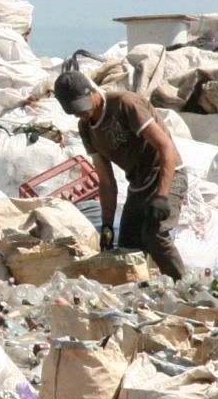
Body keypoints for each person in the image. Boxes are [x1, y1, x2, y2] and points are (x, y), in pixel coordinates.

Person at [55, 68, 186, 279]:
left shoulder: (125, 104)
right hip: (138, 186)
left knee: (154, 235)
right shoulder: (86, 128)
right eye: (75, 111)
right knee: (127, 249)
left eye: (82, 106)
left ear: (92, 92)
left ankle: (185, 288)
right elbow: (106, 182)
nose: (82, 113)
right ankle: (141, 297)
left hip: (166, 175)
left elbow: (166, 148)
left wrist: (162, 196)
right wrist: (107, 225)